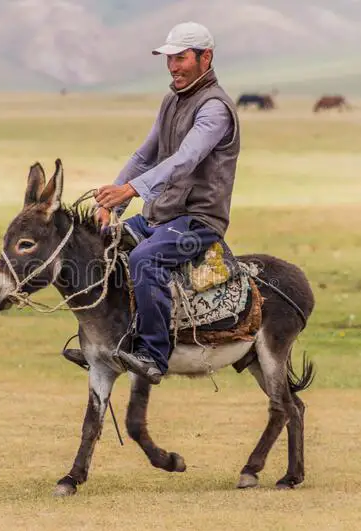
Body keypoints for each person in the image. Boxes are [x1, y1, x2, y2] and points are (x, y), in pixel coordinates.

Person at [94, 21, 241, 385]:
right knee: (100, 246)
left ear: (205, 57)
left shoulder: (215, 109)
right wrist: (110, 203)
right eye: (169, 58)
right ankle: (107, 341)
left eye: (181, 58)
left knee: (145, 259)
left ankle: (153, 355)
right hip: (160, 215)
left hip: (197, 220)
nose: (173, 66)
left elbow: (185, 160)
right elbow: (145, 156)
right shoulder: (172, 100)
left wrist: (129, 191)